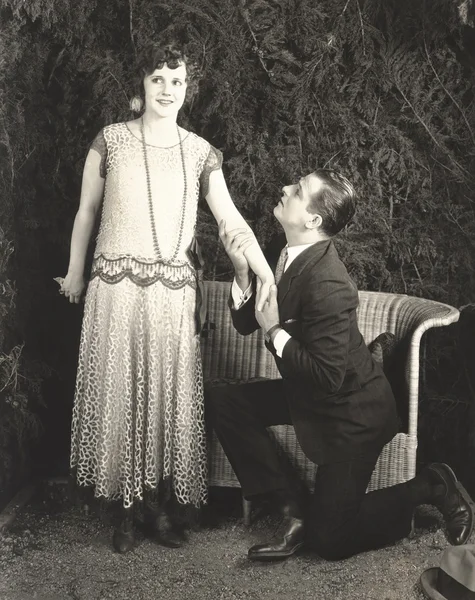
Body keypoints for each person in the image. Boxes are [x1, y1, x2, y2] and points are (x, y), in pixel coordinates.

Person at [59, 41, 274, 553]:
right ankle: (125, 510)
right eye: (158, 79)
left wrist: (265, 271)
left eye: (177, 81)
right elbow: (87, 211)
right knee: (122, 397)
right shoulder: (110, 140)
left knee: (163, 400)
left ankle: (155, 507)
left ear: (187, 90)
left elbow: (230, 218)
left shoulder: (200, 152)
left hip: (172, 297)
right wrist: (74, 275)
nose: (167, 89)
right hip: (114, 290)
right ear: (142, 84)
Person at [206, 168, 474, 561]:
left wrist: (276, 331)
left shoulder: (328, 283)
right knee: (225, 401)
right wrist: (243, 272)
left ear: (312, 220)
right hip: (308, 393)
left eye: (297, 191)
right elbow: (248, 323)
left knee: (330, 540)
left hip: (350, 415)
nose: (284, 188)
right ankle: (290, 509)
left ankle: (433, 485)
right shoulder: (286, 250)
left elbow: (328, 377)